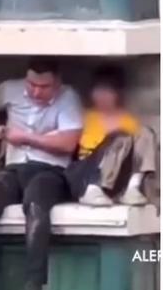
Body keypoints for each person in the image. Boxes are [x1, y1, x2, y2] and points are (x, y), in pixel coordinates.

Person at [0, 58, 83, 290]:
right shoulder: (9, 90)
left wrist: (24, 137)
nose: (36, 91)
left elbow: (68, 143)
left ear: (57, 83)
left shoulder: (69, 98)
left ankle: (33, 281)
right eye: (32, 84)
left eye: (44, 86)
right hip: (14, 168)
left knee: (35, 203)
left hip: (51, 170)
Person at [65, 64, 155, 207]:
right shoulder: (86, 116)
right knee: (120, 138)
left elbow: (136, 151)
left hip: (115, 178)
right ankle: (94, 188)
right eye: (98, 91)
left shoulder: (127, 120)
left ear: (117, 94)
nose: (102, 97)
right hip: (86, 174)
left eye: (107, 92)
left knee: (145, 132)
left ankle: (133, 187)